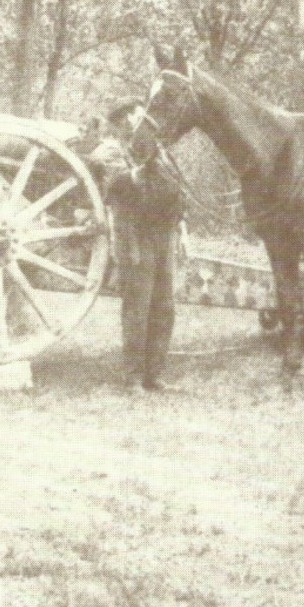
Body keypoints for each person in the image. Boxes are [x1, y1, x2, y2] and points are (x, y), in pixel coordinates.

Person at [84, 101, 185, 392]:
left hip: (164, 234)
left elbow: (176, 189)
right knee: (137, 309)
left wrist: (182, 227)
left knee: (164, 307)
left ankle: (154, 374)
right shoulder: (112, 151)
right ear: (126, 119)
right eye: (138, 114)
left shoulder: (159, 150)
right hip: (134, 235)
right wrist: (134, 174)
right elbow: (113, 189)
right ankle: (133, 378)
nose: (143, 118)